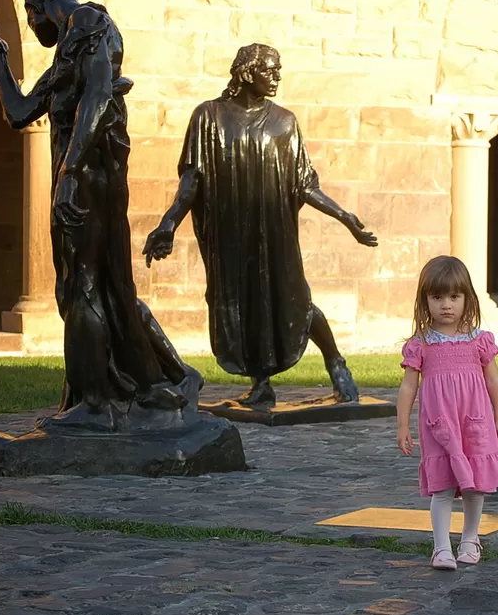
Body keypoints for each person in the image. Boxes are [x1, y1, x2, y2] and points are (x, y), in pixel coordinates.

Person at [0, 0, 205, 431]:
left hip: (87, 180)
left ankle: (95, 403)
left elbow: (100, 95)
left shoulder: (88, 22)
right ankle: (159, 379)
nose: (32, 28)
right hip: (87, 178)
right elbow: (20, 112)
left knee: (80, 285)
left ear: (37, 5)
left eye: (30, 18)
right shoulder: (72, 44)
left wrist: (69, 171)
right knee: (105, 287)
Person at [143, 43, 378, 407]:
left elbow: (305, 184)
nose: (277, 77)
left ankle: (337, 364)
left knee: (295, 301)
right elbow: (192, 181)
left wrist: (346, 218)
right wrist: (168, 224)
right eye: (270, 71)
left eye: (278, 70)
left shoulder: (284, 123)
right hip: (230, 234)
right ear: (247, 73)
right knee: (241, 304)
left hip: (274, 233)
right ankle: (261, 382)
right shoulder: (208, 117)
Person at [395, 256, 498, 571]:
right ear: (425, 301)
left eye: (454, 297)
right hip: (439, 428)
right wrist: (403, 425)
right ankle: (441, 547)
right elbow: (408, 388)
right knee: (443, 487)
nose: (446, 305)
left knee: (476, 485)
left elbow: (494, 380)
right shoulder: (420, 345)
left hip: (475, 424)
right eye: (437, 297)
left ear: (466, 299)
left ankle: (470, 538)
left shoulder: (479, 340)